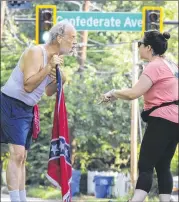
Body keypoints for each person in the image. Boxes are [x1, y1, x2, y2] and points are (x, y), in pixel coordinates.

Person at [0, 20, 77, 202]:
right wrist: (49, 67)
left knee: (23, 157)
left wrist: (60, 80)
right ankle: (14, 199)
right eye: (72, 37)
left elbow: (48, 92)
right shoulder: (37, 52)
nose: (75, 42)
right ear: (59, 38)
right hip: (12, 103)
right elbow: (28, 86)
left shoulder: (54, 60)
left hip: (28, 108)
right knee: (17, 154)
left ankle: (22, 198)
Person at [101, 30, 178, 202]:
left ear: (148, 48)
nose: (139, 47)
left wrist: (113, 92)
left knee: (145, 165)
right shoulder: (171, 65)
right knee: (163, 165)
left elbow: (133, 93)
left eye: (140, 44)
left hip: (162, 120)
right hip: (175, 121)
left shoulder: (155, 66)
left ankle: (136, 200)